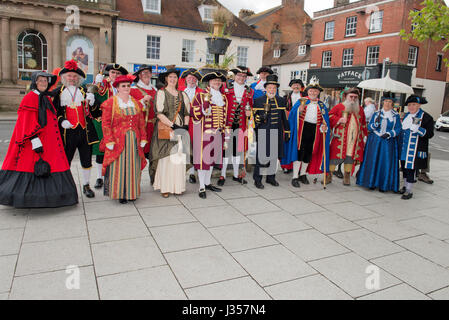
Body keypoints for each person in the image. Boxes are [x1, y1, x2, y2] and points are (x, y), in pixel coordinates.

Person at [0, 71, 78, 208]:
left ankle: (51, 197)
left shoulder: (45, 98)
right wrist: (34, 139)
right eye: (40, 80)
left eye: (45, 81)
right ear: (35, 82)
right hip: (35, 142)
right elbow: (26, 121)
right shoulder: (30, 98)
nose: (43, 83)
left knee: (52, 165)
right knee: (31, 166)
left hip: (50, 142)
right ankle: (29, 198)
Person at [53, 60, 99, 198]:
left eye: (74, 76)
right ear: (64, 77)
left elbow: (96, 112)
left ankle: (86, 185)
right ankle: (65, 186)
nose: (72, 79)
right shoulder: (58, 93)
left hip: (85, 131)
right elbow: (54, 112)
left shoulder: (84, 91)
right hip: (68, 132)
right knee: (66, 159)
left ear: (78, 78)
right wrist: (62, 121)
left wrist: (93, 101)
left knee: (86, 159)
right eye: (69, 76)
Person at [101, 74, 148, 204]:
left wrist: (143, 137)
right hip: (117, 140)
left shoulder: (135, 103)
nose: (126, 88)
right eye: (123, 86)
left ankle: (132, 192)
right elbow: (105, 123)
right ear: (117, 88)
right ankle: (120, 193)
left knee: (133, 165)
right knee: (119, 166)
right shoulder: (111, 102)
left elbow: (140, 122)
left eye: (128, 85)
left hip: (134, 140)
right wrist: (109, 140)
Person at [282, 76, 331, 188]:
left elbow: (325, 121)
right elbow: (293, 116)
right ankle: (295, 176)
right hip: (301, 130)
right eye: (311, 90)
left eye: (315, 91)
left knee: (309, 153)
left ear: (318, 92)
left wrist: (325, 127)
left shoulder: (322, 105)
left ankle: (303, 174)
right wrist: (300, 110)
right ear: (307, 91)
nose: (313, 92)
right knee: (299, 152)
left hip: (314, 131)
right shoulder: (301, 101)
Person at [149, 68, 191, 198]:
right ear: (166, 79)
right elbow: (159, 114)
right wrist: (173, 125)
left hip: (180, 129)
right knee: (166, 158)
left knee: (178, 158)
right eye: (170, 77)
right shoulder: (161, 93)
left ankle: (178, 186)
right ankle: (165, 187)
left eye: (174, 77)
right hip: (166, 128)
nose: (172, 79)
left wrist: (185, 126)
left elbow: (186, 113)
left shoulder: (182, 94)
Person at [191, 71, 228, 199]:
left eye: (219, 81)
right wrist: (203, 108)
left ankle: (207, 183)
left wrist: (225, 136)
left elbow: (225, 118)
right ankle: (201, 186)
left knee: (212, 160)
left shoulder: (223, 98)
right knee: (203, 161)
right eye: (214, 81)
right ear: (209, 82)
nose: (216, 83)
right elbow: (194, 114)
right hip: (204, 134)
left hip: (218, 133)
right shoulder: (200, 96)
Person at [91, 63, 128, 190]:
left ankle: (113, 175)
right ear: (109, 74)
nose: (115, 75)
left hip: (118, 124)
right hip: (103, 122)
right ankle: (99, 177)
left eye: (118, 73)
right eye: (113, 73)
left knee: (116, 150)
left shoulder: (123, 86)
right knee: (101, 150)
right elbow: (92, 98)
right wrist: (96, 83)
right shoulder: (102, 85)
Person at [357, 92, 402, 192]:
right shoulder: (376, 114)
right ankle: (371, 183)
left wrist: (390, 133)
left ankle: (383, 184)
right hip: (375, 141)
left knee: (385, 162)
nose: (387, 103)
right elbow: (369, 127)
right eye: (386, 101)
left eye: (390, 102)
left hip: (388, 142)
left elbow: (399, 129)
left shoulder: (395, 116)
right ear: (382, 102)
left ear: (392, 103)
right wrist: (375, 124)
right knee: (373, 161)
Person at [252, 74, 290, 189]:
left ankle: (271, 178)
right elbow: (254, 119)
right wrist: (260, 118)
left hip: (277, 132)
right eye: (269, 87)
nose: (272, 90)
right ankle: (257, 179)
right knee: (261, 157)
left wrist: (287, 131)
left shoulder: (281, 100)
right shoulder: (258, 101)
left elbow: (284, 117)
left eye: (274, 88)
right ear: (266, 88)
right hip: (263, 131)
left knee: (274, 156)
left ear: (276, 89)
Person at [219, 66, 254, 186]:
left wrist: (249, 114)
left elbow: (250, 108)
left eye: (244, 76)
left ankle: (235, 175)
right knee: (226, 151)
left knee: (237, 151)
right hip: (227, 125)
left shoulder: (249, 91)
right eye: (239, 75)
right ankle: (222, 175)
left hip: (240, 126)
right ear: (234, 76)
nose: (241, 78)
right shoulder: (225, 87)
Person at [328, 88, 368, 186]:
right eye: (351, 97)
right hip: (340, 138)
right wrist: (338, 119)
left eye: (355, 97)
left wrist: (365, 136)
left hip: (354, 139)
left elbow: (363, 124)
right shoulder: (338, 107)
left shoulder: (360, 109)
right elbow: (329, 117)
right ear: (346, 97)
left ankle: (347, 176)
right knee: (334, 157)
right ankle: (328, 176)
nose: (353, 99)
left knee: (350, 157)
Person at [399, 95, 434, 200]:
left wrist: (418, 129)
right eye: (409, 105)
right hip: (404, 148)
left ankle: (409, 191)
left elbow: (430, 134)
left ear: (419, 105)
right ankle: (405, 186)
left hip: (415, 149)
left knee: (410, 169)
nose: (411, 107)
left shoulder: (427, 117)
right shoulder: (406, 116)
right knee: (404, 168)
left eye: (413, 104)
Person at [178, 68, 203, 184]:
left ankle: (192, 172)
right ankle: (180, 172)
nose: (192, 80)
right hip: (181, 122)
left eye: (194, 78)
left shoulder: (202, 92)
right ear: (186, 79)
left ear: (197, 80)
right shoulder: (179, 90)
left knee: (194, 147)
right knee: (181, 147)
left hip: (196, 124)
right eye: (189, 78)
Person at [130, 64, 157, 160]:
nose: (146, 74)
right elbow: (130, 109)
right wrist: (142, 101)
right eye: (143, 72)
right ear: (139, 76)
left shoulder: (155, 90)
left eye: (148, 72)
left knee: (153, 157)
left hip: (154, 129)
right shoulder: (132, 90)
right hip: (141, 128)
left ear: (151, 74)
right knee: (138, 157)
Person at [281, 79, 304, 174]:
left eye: (298, 85)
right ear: (291, 86)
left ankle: (298, 167)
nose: (296, 87)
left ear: (301, 87)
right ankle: (286, 165)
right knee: (287, 144)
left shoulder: (305, 97)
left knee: (299, 145)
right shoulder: (285, 97)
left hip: (301, 124)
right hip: (289, 123)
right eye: (294, 85)